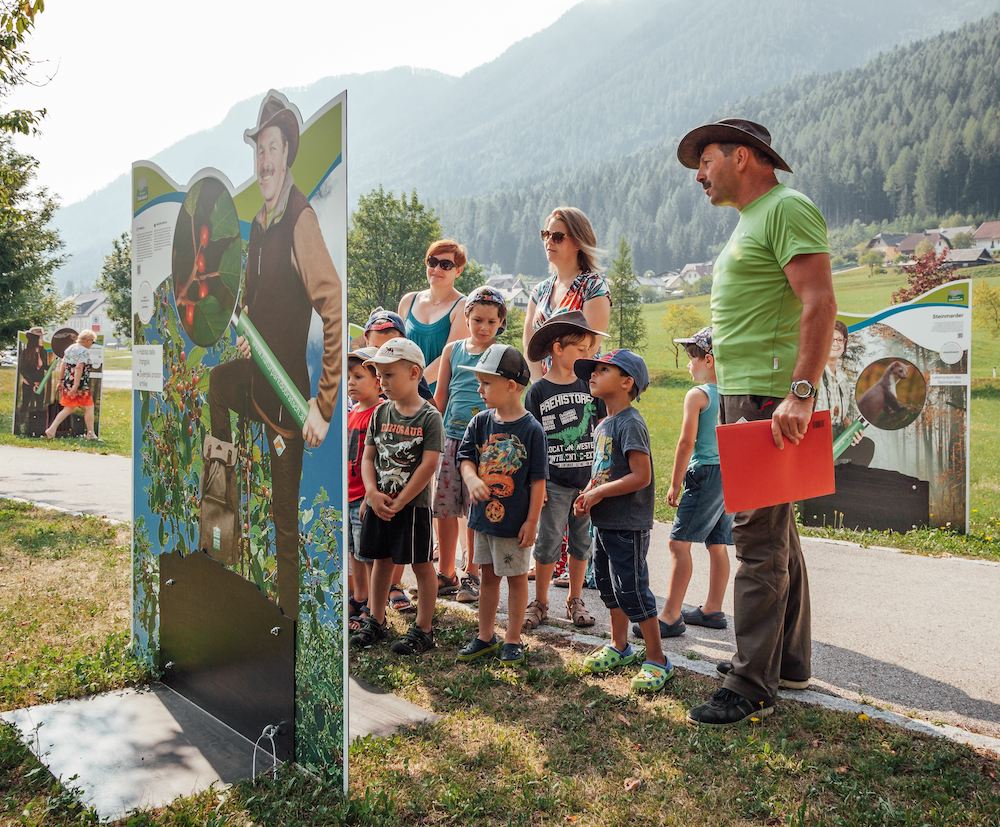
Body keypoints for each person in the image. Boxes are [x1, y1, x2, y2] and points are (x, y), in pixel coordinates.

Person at [676, 118, 836, 724]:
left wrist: (801, 392)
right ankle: (785, 662)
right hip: (749, 396)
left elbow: (819, 301)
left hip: (770, 400)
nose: (699, 174)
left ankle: (749, 684)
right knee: (778, 536)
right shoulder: (755, 219)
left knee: (757, 543)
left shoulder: (786, 209)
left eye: (706, 160)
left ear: (743, 157)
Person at [207, 92, 342, 621]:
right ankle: (220, 522)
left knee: (286, 520)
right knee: (219, 384)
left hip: (288, 401)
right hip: (257, 379)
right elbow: (254, 300)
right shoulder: (261, 224)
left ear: (287, 155)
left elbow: (332, 307)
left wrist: (323, 404)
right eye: (258, 149)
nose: (264, 160)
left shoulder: (300, 220)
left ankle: (287, 626)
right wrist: (247, 329)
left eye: (273, 148)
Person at [573, 350, 674, 694]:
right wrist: (588, 492)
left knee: (631, 589)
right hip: (605, 521)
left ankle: (658, 658)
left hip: (627, 523)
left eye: (603, 370)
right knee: (606, 585)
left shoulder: (630, 422)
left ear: (627, 382)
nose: (593, 375)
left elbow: (641, 476)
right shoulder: (604, 424)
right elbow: (602, 472)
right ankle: (620, 646)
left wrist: (600, 495)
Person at [350, 338, 443, 655]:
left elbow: (429, 464)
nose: (382, 382)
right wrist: (372, 493)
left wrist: (401, 501)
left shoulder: (429, 417)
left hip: (412, 507)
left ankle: (424, 629)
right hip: (379, 503)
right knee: (381, 561)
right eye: (379, 375)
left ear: (414, 373)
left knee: (420, 564)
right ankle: (376, 620)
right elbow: (368, 457)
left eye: (389, 375)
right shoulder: (380, 413)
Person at [455, 344, 547, 667]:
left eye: (486, 383)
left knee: (517, 578)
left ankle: (513, 638)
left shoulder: (532, 430)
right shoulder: (480, 423)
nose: (479, 390)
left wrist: (532, 521)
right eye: (479, 382)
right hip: (484, 521)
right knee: (488, 576)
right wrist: (471, 480)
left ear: (511, 386)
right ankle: (484, 636)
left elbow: (538, 481)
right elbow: (465, 458)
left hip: (514, 524)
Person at [640, 326, 732, 640]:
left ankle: (670, 615)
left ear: (708, 358)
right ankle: (712, 608)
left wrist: (675, 484)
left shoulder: (698, 395)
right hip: (728, 475)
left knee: (678, 543)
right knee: (717, 545)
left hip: (705, 473)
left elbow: (685, 443)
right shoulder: (732, 393)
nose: (688, 364)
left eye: (692, 357)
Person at [523, 310, 607, 629]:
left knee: (581, 543)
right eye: (580, 350)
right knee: (547, 542)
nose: (588, 356)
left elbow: (602, 432)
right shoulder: (538, 392)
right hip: (554, 483)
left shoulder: (590, 386)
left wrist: (598, 478)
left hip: (585, 482)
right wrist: (537, 484)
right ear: (558, 348)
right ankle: (541, 601)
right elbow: (532, 443)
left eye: (589, 350)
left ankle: (575, 599)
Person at [432, 286, 508, 604]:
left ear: (500, 323)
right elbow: (441, 396)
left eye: (491, 322)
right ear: (466, 317)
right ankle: (445, 572)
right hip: (451, 437)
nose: (484, 327)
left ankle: (472, 574)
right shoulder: (453, 350)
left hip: (485, 443)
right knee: (445, 507)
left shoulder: (502, 353)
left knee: (477, 509)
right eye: (477, 319)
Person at [523, 207, 611, 381]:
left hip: (580, 388)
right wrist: (539, 384)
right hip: (544, 389)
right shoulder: (539, 290)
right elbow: (529, 343)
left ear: (578, 242)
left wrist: (562, 386)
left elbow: (589, 347)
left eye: (557, 237)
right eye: (545, 234)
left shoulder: (593, 286)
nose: (549, 241)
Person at [398, 240, 469, 392]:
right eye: (432, 262)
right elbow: (398, 349)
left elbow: (448, 358)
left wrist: (413, 385)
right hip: (404, 394)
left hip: (439, 398)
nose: (437, 269)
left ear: (458, 271)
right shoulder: (408, 301)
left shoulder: (462, 307)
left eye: (445, 265)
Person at [346, 345, 381, 630]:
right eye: (348, 377)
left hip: (365, 495)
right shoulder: (350, 413)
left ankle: (372, 603)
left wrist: (373, 492)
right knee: (353, 552)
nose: (350, 383)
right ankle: (358, 597)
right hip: (347, 494)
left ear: (378, 380)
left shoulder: (380, 413)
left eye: (358, 377)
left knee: (367, 553)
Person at [817, 321, 873, 466]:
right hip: (816, 436)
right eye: (831, 339)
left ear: (844, 343)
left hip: (838, 434)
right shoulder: (813, 374)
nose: (835, 343)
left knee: (866, 446)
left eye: (839, 339)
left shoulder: (843, 379)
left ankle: (849, 485)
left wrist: (853, 431)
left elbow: (843, 416)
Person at [364, 308, 434, 403]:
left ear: (403, 342)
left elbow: (431, 407)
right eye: (376, 348)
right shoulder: (359, 369)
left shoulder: (408, 371)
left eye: (390, 349)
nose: (381, 354)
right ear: (367, 341)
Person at [45, 329, 98, 440]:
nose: (92, 344)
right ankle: (90, 433)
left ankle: (51, 429)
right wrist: (76, 386)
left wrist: (60, 381)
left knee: (68, 408)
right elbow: (79, 367)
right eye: (92, 342)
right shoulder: (83, 351)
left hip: (67, 383)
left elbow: (63, 365)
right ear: (87, 340)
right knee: (89, 407)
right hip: (79, 385)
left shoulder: (70, 348)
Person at [16, 327, 47, 436]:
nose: (42, 338)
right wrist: (33, 383)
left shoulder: (43, 351)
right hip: (28, 383)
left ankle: (37, 429)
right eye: (41, 336)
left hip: (40, 384)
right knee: (25, 404)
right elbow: (22, 369)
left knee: (39, 406)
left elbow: (44, 367)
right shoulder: (26, 352)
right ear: (35, 338)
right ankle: (22, 427)